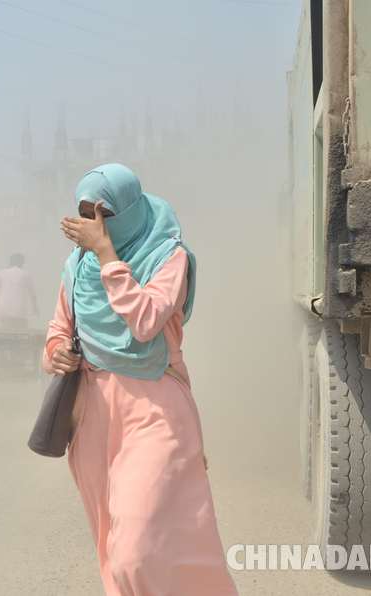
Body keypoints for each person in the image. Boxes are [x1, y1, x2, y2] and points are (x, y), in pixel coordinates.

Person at [43, 164, 238, 596]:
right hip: (93, 416)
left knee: (140, 549)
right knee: (112, 546)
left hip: (154, 410)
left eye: (103, 213)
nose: (93, 224)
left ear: (128, 211)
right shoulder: (76, 266)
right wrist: (56, 355)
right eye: (84, 212)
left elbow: (146, 321)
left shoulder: (169, 255)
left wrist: (109, 258)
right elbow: (59, 329)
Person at [0, 253, 39, 328]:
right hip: (19, 314)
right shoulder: (25, 275)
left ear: (10, 262)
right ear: (22, 263)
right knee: (21, 333)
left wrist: (7, 268)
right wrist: (35, 307)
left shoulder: (3, 272)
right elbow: (32, 294)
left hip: (4, 313)